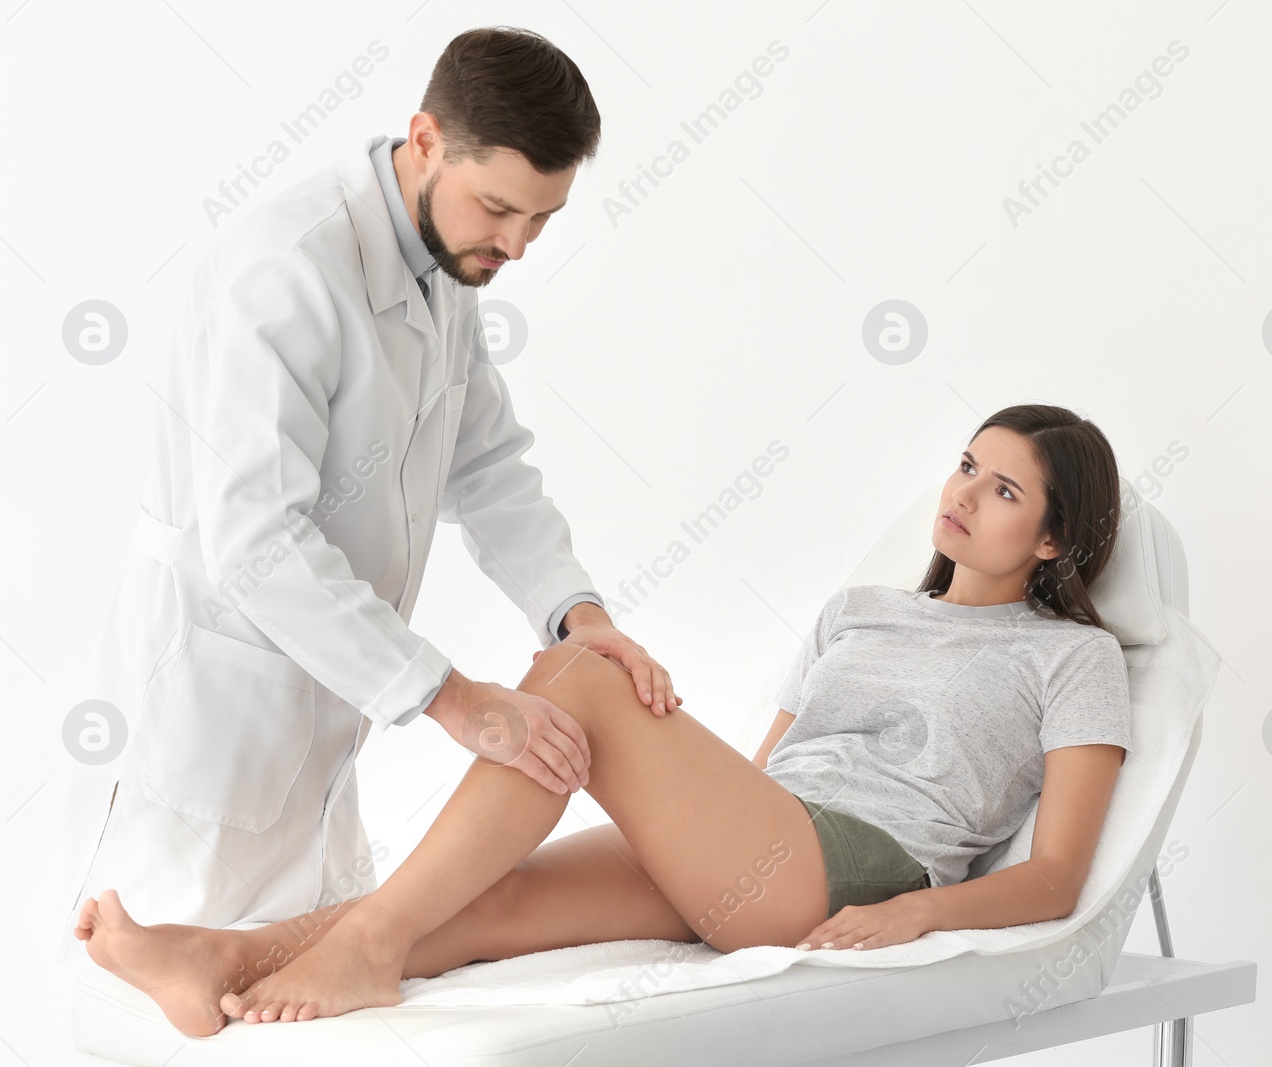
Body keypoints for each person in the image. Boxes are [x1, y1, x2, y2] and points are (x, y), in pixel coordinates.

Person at [74, 403, 1134, 1035]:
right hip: (768, 836)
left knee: (578, 668)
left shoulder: (1073, 657)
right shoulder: (856, 610)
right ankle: (223, 955)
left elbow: (1056, 875)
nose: (962, 492)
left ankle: (366, 946)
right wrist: (687, 802)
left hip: (861, 863)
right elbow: (763, 772)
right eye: (965, 464)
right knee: (493, 896)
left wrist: (917, 913)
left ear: (1053, 539)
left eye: (1003, 491)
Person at [56, 26, 683, 967]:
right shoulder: (287, 271)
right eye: (501, 208)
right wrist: (457, 701)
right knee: (157, 992)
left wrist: (576, 614)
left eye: (543, 220)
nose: (517, 245)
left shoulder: (445, 263)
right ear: (425, 140)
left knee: (297, 976)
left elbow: (488, 462)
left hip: (318, 736)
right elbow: (254, 542)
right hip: (212, 721)